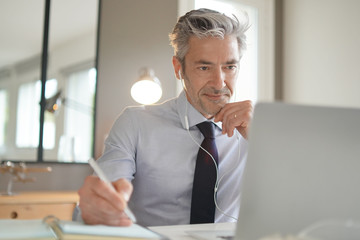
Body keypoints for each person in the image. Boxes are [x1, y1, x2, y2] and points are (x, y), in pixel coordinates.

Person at [78, 8, 252, 227]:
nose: (219, 83)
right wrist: (99, 207)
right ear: (178, 68)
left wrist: (262, 140)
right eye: (204, 67)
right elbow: (106, 192)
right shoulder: (135, 124)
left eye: (229, 67)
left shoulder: (254, 130)